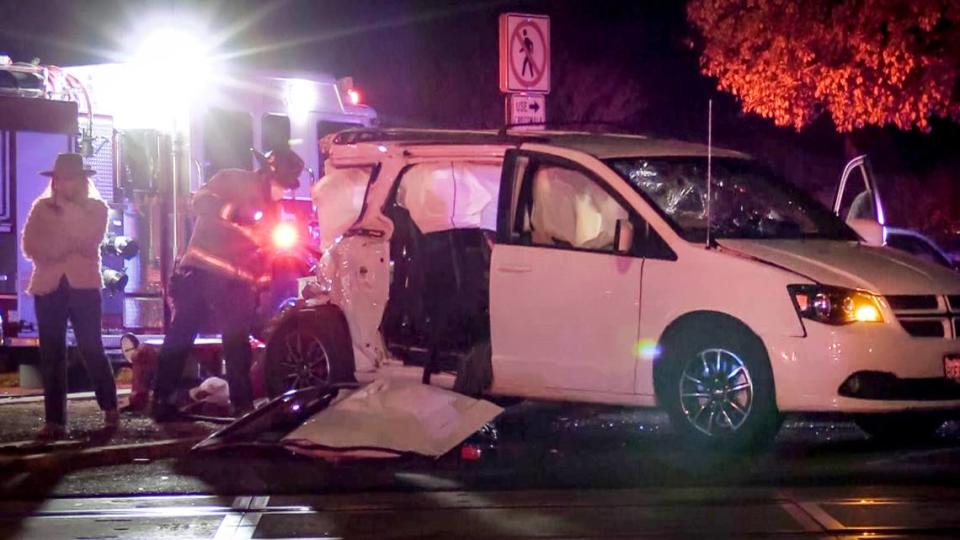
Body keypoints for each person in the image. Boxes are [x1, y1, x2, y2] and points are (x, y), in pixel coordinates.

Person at [150, 148, 304, 421]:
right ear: (268, 174)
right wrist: (232, 212)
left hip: (236, 284)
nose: (283, 191)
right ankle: (163, 399)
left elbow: (265, 255)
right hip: (201, 272)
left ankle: (242, 406)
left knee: (237, 344)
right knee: (182, 334)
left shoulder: (274, 211)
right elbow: (199, 201)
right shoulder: (232, 179)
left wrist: (261, 291)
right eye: (282, 184)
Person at [21, 153, 119, 440]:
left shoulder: (96, 208)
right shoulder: (41, 208)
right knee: (51, 353)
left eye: (70, 178)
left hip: (84, 287)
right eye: (60, 179)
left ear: (81, 181)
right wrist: (59, 247)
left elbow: (89, 239)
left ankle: (110, 405)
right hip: (48, 287)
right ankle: (55, 421)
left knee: (91, 348)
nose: (64, 184)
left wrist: (64, 215)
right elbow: (30, 244)